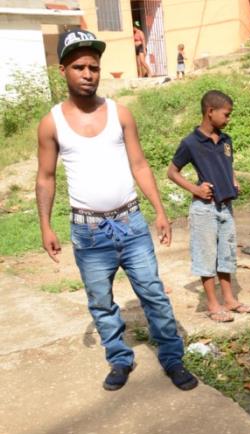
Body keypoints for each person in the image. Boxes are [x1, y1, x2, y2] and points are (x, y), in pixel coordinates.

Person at [36, 29, 197, 392]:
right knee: (101, 301)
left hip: (131, 223)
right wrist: (45, 225)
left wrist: (159, 210)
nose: (88, 74)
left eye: (93, 67)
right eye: (79, 67)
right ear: (63, 70)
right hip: (89, 232)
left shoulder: (119, 113)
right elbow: (45, 177)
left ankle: (173, 358)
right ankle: (120, 358)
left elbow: (139, 164)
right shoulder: (51, 123)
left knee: (153, 293)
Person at [167, 91, 250, 323]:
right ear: (210, 112)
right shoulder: (191, 143)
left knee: (226, 254)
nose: (228, 119)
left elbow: (228, 165)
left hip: (226, 207)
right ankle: (213, 304)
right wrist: (195, 189)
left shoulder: (226, 140)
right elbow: (172, 172)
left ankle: (230, 300)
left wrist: (233, 180)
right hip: (204, 209)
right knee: (206, 256)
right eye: (226, 114)